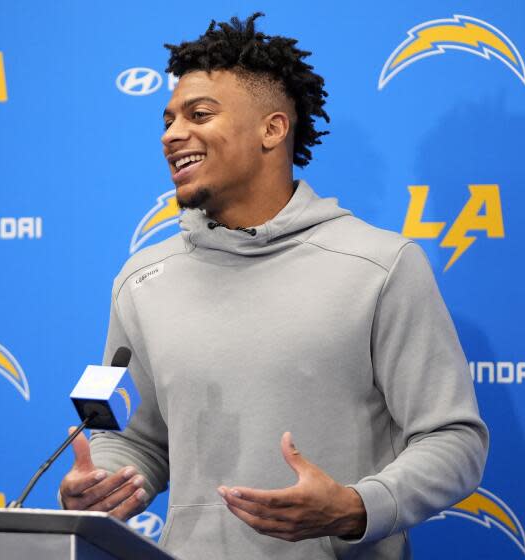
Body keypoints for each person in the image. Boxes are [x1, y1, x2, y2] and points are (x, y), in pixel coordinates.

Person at [59, 13, 488, 559]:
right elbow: (138, 438)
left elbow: (455, 441)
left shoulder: (380, 265)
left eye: (200, 114)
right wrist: (110, 482)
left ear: (273, 129)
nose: (172, 134)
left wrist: (358, 506)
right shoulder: (141, 281)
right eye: (167, 119)